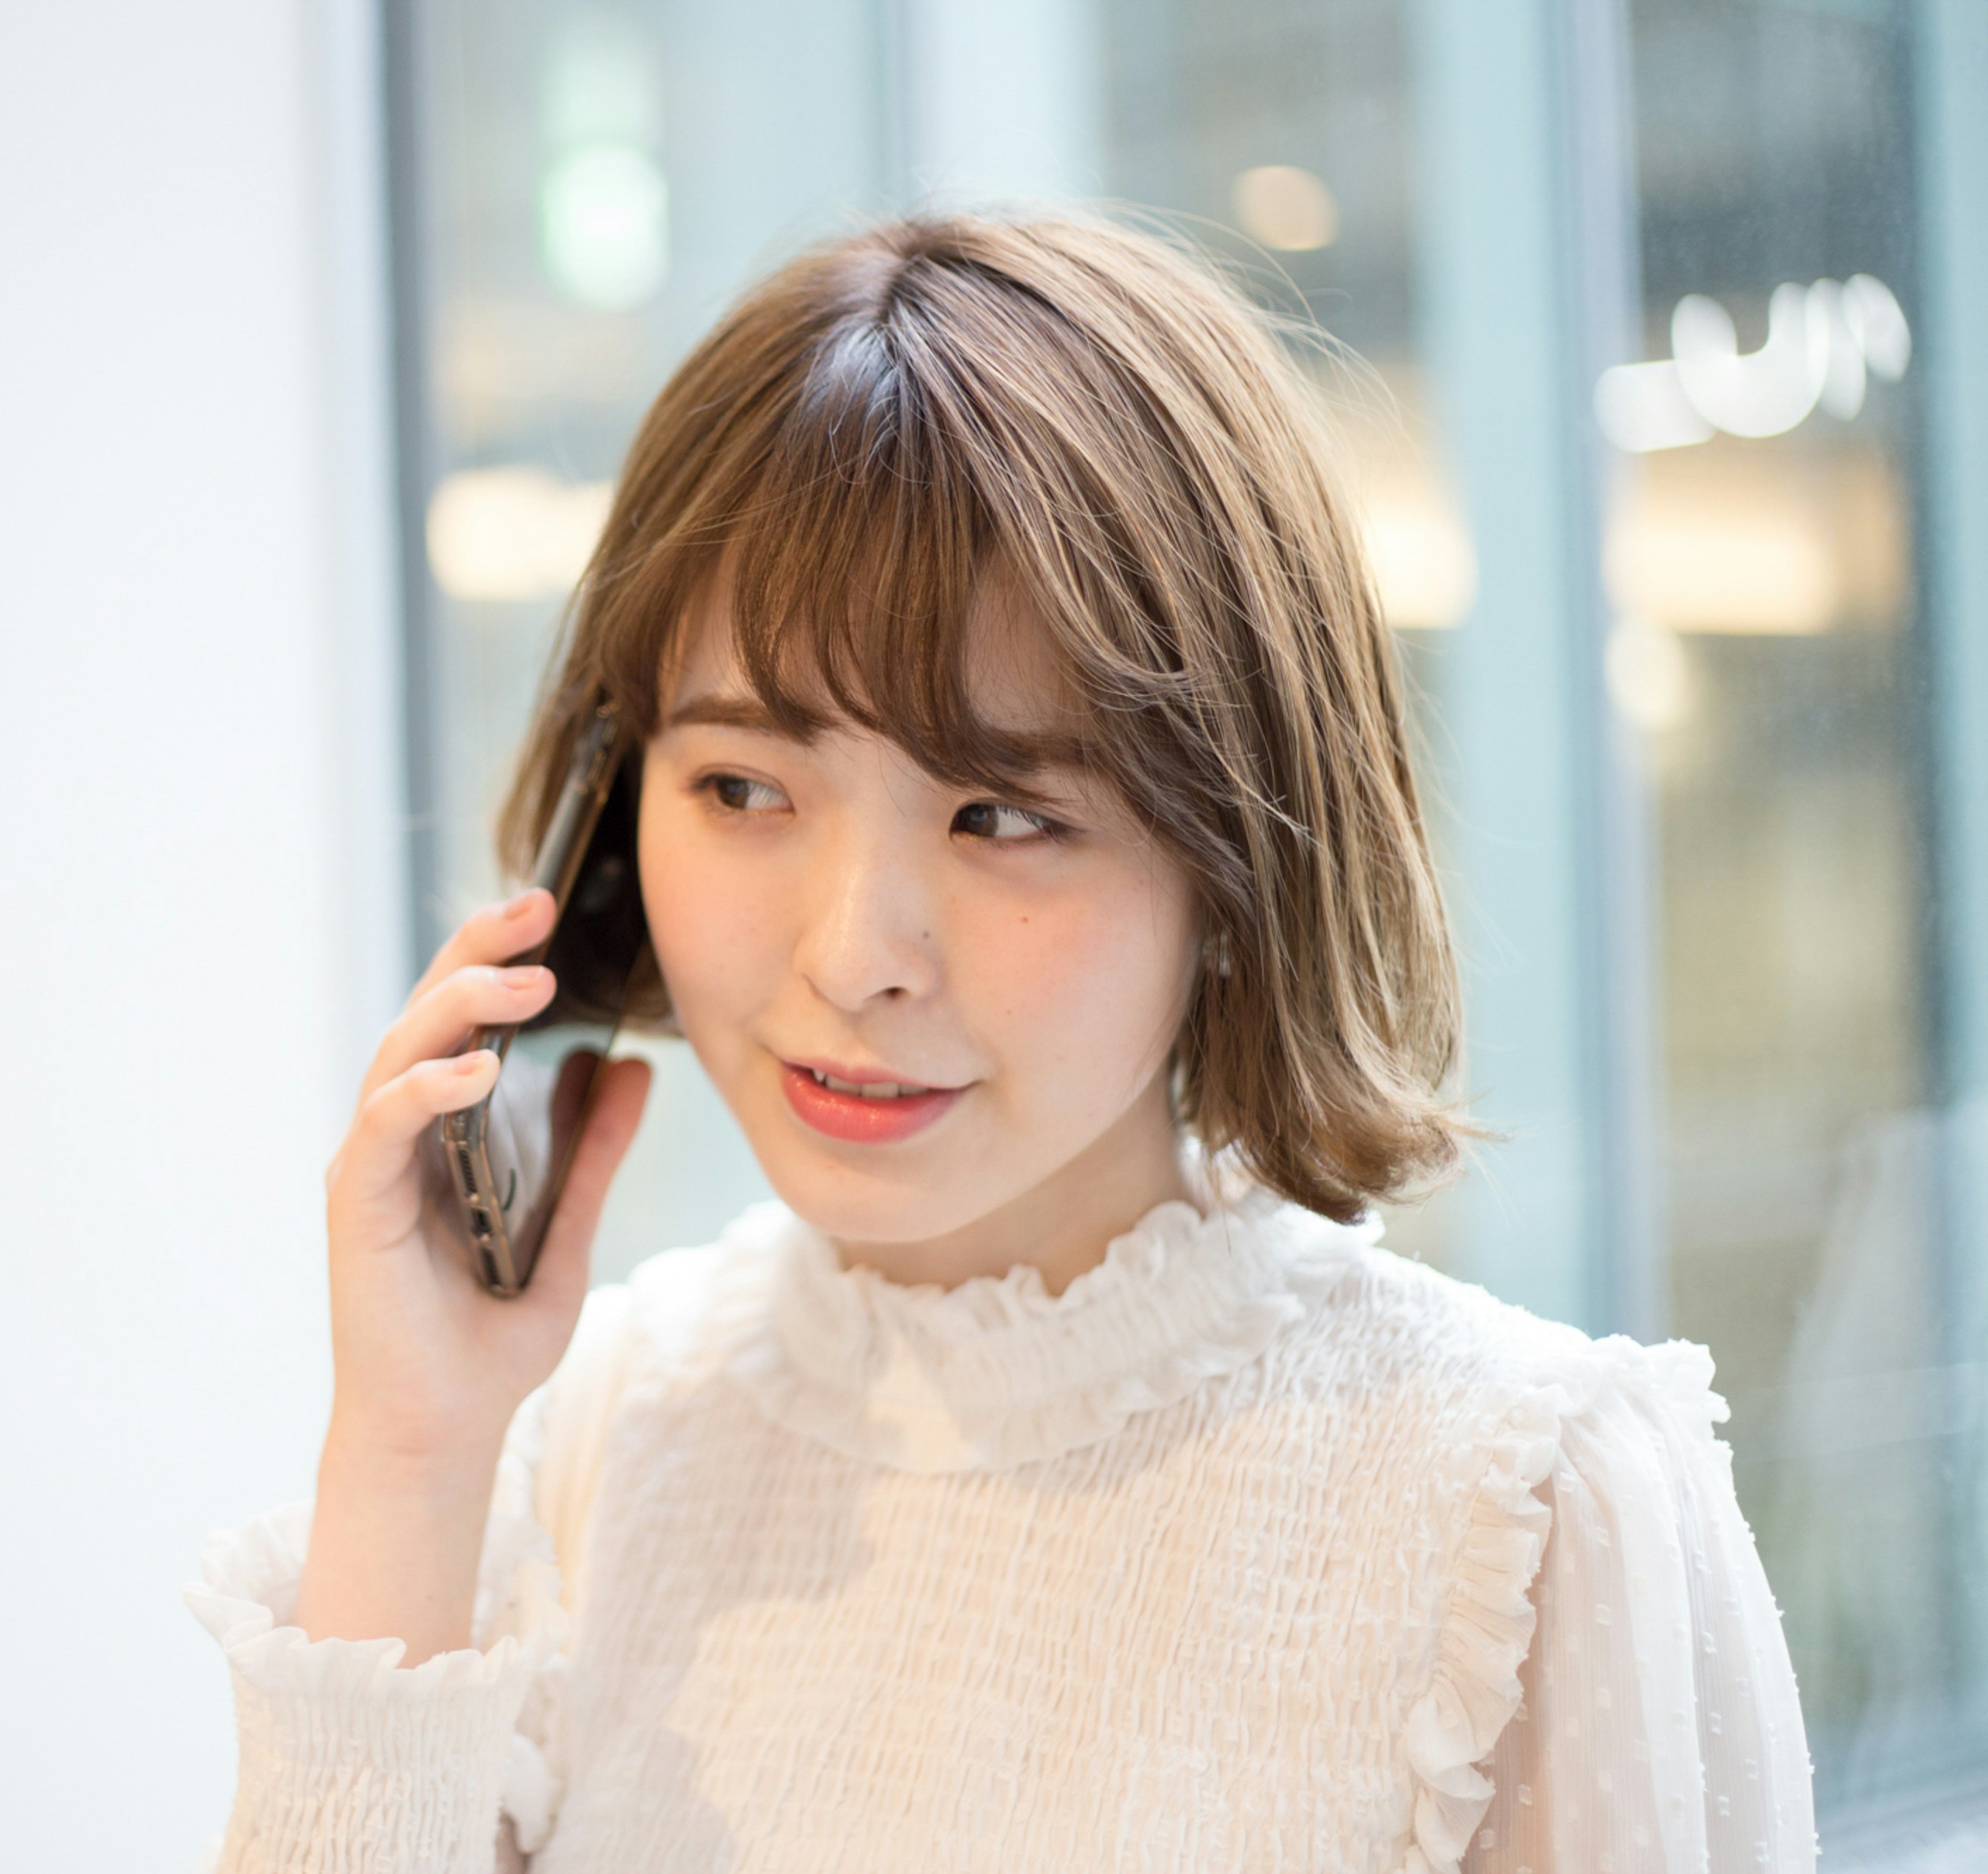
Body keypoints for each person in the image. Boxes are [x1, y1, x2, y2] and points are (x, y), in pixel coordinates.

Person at [186, 213, 1815, 1873]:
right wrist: (411, 1451)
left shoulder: (1525, 1507)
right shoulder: (592, 1434)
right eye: (743, 788)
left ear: (1239, 851)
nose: (851, 955)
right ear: (613, 822)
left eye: (1000, 813)